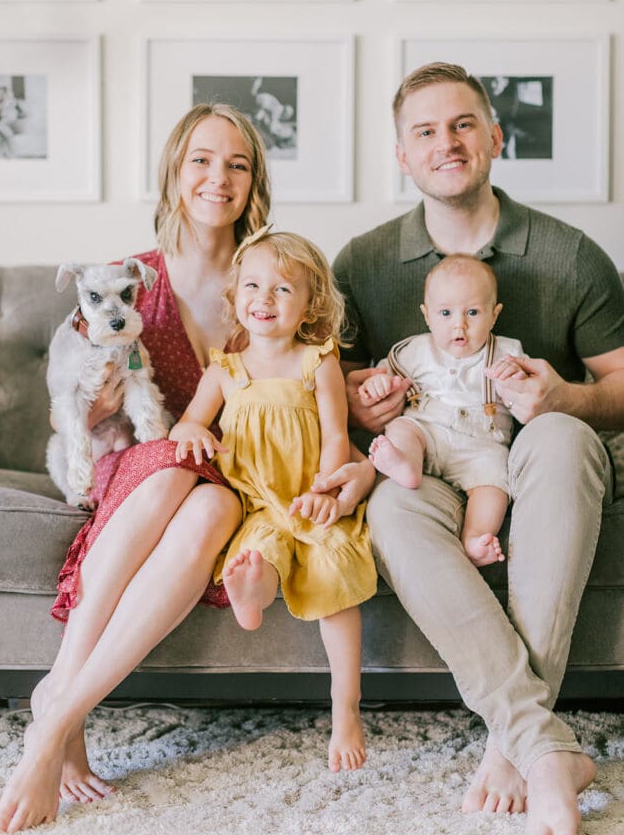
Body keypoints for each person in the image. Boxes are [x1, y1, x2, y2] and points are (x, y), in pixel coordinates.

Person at [0, 105, 377, 834]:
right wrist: (100, 403)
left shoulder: (272, 279)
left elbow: (318, 387)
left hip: (234, 482)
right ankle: (62, 706)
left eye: (236, 164)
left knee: (211, 505)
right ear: (175, 170)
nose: (217, 177)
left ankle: (58, 711)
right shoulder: (128, 280)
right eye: (201, 159)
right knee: (173, 470)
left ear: (253, 181)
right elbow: (61, 412)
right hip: (139, 470)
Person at [333, 62, 624, 835]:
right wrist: (365, 395)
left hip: (534, 461)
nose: (446, 143)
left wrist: (563, 397)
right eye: (424, 131)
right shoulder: (360, 263)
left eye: (462, 124)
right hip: (428, 460)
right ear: (401, 155)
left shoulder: (567, 254)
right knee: (392, 504)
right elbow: (325, 381)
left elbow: (621, 386)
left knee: (560, 436)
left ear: (494, 137)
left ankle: (513, 745)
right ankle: (538, 744)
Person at [170, 229, 377, 773]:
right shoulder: (226, 369)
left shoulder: (318, 361)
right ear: (236, 295)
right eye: (254, 286)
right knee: (259, 551)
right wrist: (193, 433)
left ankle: (346, 708)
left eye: (284, 290)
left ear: (310, 306)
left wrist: (327, 487)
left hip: (312, 497)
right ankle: (252, 590)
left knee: (334, 571)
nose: (265, 298)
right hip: (258, 501)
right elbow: (190, 420)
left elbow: (337, 434)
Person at [362, 254, 525, 567]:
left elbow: (527, 395)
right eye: (446, 313)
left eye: (473, 313)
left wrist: (517, 381)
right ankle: (405, 465)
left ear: (494, 315)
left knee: (494, 484)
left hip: (481, 446)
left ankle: (475, 539)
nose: (459, 324)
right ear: (427, 315)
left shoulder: (506, 353)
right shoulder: (415, 350)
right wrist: (378, 386)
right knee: (401, 429)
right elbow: (385, 377)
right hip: (428, 433)